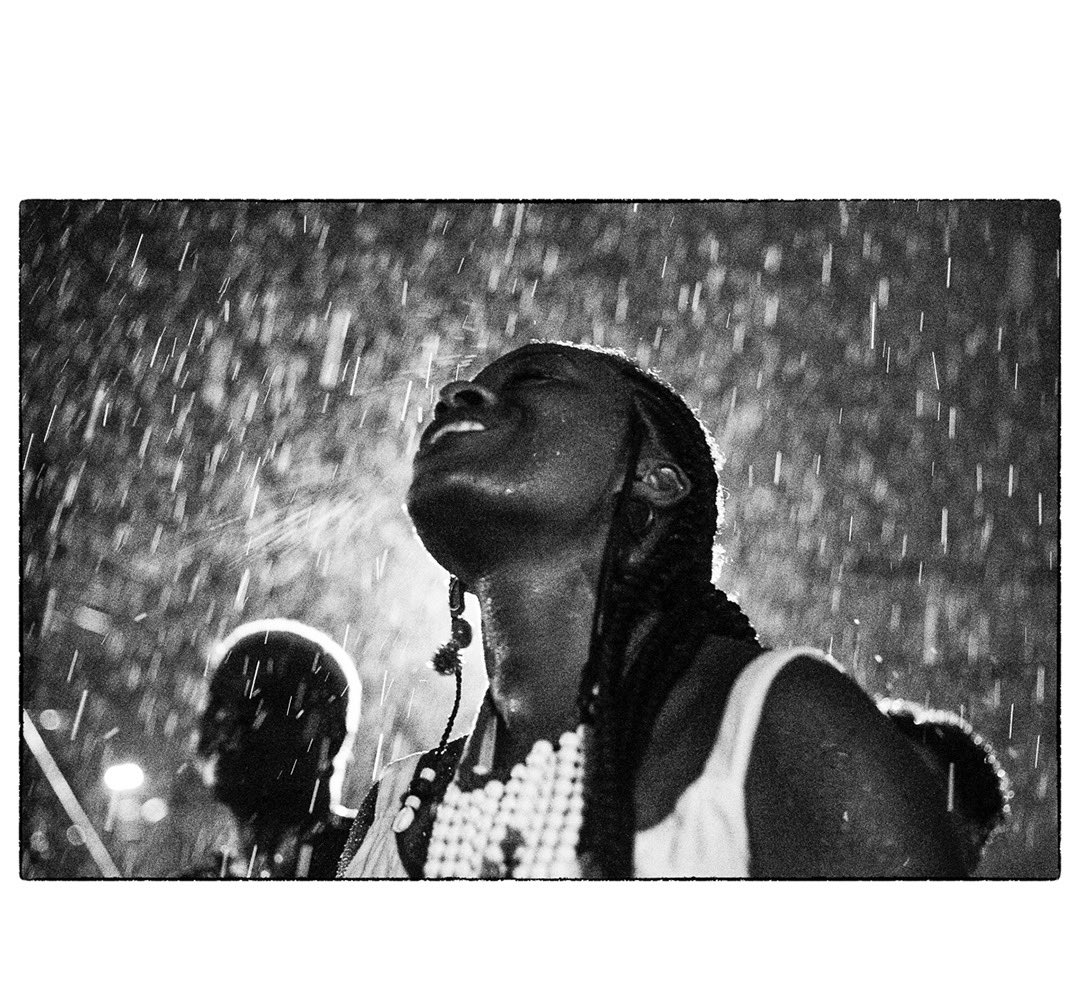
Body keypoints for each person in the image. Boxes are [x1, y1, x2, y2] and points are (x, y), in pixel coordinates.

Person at [337, 341, 1008, 879]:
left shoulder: (779, 726)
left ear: (655, 478)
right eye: (465, 386)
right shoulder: (398, 805)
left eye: (535, 379)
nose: (460, 394)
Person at [183, 619, 361, 879]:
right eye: (216, 705)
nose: (222, 729)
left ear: (326, 736)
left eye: (250, 707)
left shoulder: (377, 860)